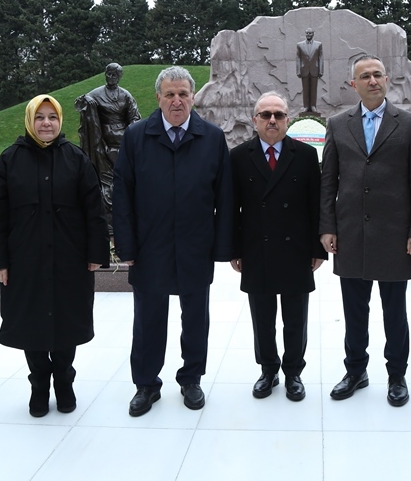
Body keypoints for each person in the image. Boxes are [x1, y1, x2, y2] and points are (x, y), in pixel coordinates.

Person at [113, 66, 234, 416]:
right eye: (170, 94)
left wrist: (222, 247)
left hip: (196, 246)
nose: (177, 101)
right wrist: (126, 246)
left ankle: (191, 378)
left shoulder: (212, 137)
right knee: (148, 320)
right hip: (150, 247)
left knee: (195, 319)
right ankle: (146, 384)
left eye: (183, 94)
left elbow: (225, 196)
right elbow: (122, 195)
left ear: (193, 97)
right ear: (158, 98)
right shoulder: (136, 136)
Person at [0, 95, 110, 416]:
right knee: (30, 322)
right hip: (24, 262)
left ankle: (64, 380)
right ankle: (39, 382)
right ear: (29, 120)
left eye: (52, 117)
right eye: (39, 117)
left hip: (70, 260)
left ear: (60, 120)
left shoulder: (76, 159)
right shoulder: (10, 160)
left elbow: (94, 210)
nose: (46, 123)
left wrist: (96, 253)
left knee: (68, 320)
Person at [319, 55, 411, 406]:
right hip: (351, 233)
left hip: (395, 235)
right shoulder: (338, 124)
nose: (372, 81)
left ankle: (397, 375)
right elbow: (328, 181)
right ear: (353, 84)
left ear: (387, 79)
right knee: (354, 311)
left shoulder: (410, 124)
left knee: (394, 312)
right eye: (364, 76)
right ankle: (355, 371)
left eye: (377, 75)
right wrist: (327, 227)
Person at [230, 92, 325, 401]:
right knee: (262, 317)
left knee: (295, 318)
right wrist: (234, 249)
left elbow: (316, 205)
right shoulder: (239, 156)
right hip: (256, 249)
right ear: (255, 120)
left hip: (296, 249)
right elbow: (232, 208)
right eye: (266, 115)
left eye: (279, 115)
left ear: (288, 119)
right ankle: (268, 369)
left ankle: (293, 372)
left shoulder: (306, 155)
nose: (272, 120)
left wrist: (318, 249)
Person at [75, 63, 141, 221]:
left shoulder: (125, 95)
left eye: (114, 75)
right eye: (108, 74)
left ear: (119, 77)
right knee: (106, 177)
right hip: (103, 141)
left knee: (123, 174)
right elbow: (79, 104)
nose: (111, 77)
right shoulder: (96, 93)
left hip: (123, 140)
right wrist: (86, 100)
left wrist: (129, 134)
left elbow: (134, 117)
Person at [296, 29, 323, 113]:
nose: (308, 34)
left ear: (313, 34)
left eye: (310, 33)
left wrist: (321, 70)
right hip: (304, 70)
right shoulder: (299, 45)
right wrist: (298, 70)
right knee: (305, 89)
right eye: (307, 33)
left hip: (314, 70)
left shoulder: (318, 44)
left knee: (314, 89)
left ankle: (313, 106)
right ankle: (306, 106)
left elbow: (320, 58)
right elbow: (298, 58)